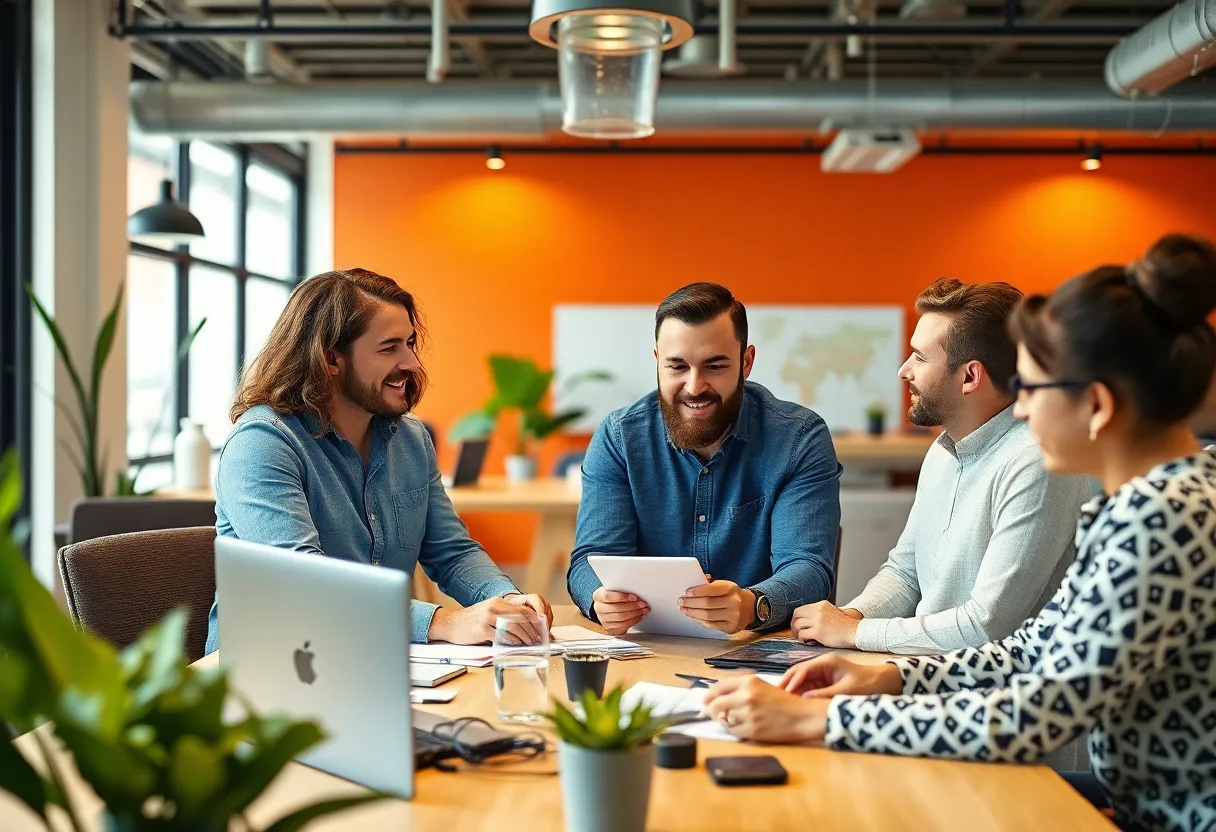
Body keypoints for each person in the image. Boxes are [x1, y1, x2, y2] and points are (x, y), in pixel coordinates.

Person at [703, 234, 1216, 832]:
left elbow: (1040, 711)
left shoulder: (1161, 519)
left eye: (1034, 391)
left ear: (1097, 405)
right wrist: (883, 674)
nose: (1021, 411)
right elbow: (1033, 649)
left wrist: (819, 721)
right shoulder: (1144, 504)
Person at [204, 268, 551, 654]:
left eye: (410, 343)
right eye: (389, 348)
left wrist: (506, 600)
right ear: (331, 358)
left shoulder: (411, 438)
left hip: (374, 658)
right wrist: (442, 622)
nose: (413, 364)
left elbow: (452, 552)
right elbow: (302, 583)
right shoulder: (263, 443)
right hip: (276, 669)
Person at [791, 279, 1092, 653]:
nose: (903, 370)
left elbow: (988, 625)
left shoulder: (1035, 463)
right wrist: (852, 617)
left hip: (992, 693)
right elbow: (905, 572)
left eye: (919, 357)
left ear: (970, 376)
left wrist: (855, 635)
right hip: (928, 672)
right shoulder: (942, 450)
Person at [566, 282, 841, 636]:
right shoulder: (619, 437)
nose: (695, 386)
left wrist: (751, 605)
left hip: (755, 648)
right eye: (677, 367)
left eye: (714, 366)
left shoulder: (799, 438)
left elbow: (809, 568)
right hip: (648, 647)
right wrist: (600, 599)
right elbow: (590, 559)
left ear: (746, 362)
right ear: (657, 362)